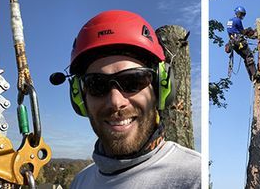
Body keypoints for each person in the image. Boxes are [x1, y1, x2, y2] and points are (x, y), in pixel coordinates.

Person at [63, 10, 200, 188]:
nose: (115, 101)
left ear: (160, 88)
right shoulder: (80, 182)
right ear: (80, 97)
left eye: (132, 80)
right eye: (96, 84)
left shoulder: (195, 178)